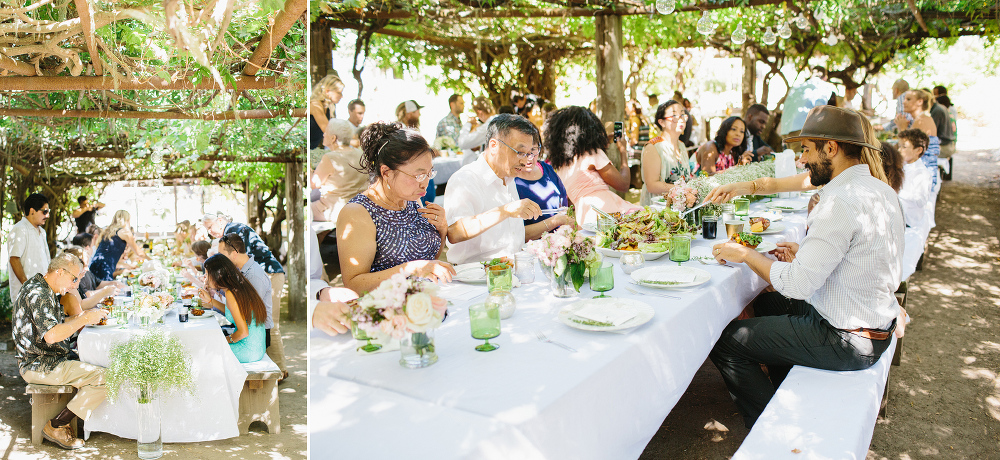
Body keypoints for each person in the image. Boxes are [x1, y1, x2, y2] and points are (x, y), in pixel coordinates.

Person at [708, 105, 903, 429]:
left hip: (847, 338)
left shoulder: (839, 201)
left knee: (725, 341)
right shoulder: (878, 189)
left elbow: (797, 285)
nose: (802, 159)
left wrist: (743, 253)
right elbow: (860, 258)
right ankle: (785, 389)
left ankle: (772, 429)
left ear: (831, 148)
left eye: (806, 150)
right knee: (765, 301)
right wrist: (806, 253)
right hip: (870, 322)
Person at [338, 121, 454, 293]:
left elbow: (429, 260)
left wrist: (442, 228)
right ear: (386, 172)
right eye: (419, 175)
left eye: (429, 173)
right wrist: (409, 269)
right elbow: (354, 285)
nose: (425, 184)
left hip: (427, 300)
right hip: (386, 310)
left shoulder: (413, 200)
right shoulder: (358, 213)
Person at [13, 251, 109, 449]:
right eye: (74, 278)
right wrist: (83, 319)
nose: (75, 285)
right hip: (40, 365)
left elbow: (52, 326)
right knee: (106, 377)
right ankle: (56, 425)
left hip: (46, 359)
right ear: (59, 271)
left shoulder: (42, 287)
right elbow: (52, 335)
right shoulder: (39, 294)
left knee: (98, 364)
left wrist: (85, 316)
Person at [445, 114, 545, 263]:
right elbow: (454, 232)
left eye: (530, 153)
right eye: (519, 152)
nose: (525, 161)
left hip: (511, 270)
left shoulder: (509, 176)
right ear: (494, 146)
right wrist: (505, 211)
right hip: (475, 276)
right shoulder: (465, 179)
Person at [543, 107, 639, 226]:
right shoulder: (593, 154)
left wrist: (602, 143)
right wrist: (623, 151)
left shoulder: (561, 164)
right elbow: (623, 185)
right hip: (607, 214)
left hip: (584, 218)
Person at [217, 233, 282, 364]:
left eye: (222, 255)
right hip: (248, 329)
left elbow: (248, 310)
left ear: (234, 253)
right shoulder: (241, 271)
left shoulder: (254, 275)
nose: (220, 260)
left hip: (257, 332)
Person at [198, 255, 267, 363]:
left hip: (247, 349)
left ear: (217, 275)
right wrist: (210, 301)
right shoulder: (238, 286)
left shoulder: (231, 293)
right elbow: (234, 312)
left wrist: (224, 341)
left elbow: (243, 332)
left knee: (204, 351)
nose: (205, 278)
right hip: (257, 347)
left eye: (207, 274)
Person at [311, 118, 368, 224]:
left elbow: (314, 184)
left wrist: (309, 170)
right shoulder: (361, 154)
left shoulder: (330, 157)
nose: (323, 135)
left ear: (333, 138)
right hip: (360, 208)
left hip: (335, 210)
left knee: (307, 209)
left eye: (326, 132)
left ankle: (316, 240)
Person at [640, 100, 694, 206]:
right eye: (674, 115)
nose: (681, 119)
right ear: (662, 122)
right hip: (658, 208)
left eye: (683, 114)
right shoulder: (653, 147)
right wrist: (685, 189)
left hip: (680, 206)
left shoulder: (682, 146)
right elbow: (652, 185)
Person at [514, 158, 573, 241]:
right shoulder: (510, 180)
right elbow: (515, 233)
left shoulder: (547, 169)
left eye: (534, 149)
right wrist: (556, 221)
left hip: (558, 242)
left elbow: (563, 206)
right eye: (523, 153)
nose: (530, 156)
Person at [7, 193, 51, 303]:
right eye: (44, 211)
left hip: (42, 293)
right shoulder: (20, 229)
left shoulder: (42, 232)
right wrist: (28, 286)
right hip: (26, 296)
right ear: (32, 211)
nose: (47, 215)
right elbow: (14, 259)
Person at [895, 89, 940, 189]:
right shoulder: (920, 119)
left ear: (920, 102)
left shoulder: (921, 121)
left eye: (908, 99)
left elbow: (906, 150)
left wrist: (901, 128)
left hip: (923, 178)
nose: (904, 102)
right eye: (904, 99)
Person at [88, 210, 148, 282]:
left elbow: (109, 259)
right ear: (127, 220)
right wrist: (151, 260)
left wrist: (129, 266)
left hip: (95, 266)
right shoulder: (125, 232)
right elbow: (139, 252)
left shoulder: (108, 232)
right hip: (105, 269)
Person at [778, 67, 838, 137]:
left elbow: (785, 108)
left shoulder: (797, 87)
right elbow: (820, 109)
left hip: (785, 130)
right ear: (825, 78)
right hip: (801, 129)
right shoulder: (823, 86)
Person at [896, 129, 933, 227]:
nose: (899, 150)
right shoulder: (903, 166)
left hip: (909, 220)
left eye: (904, 147)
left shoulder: (922, 173)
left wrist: (895, 191)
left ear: (918, 150)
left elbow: (920, 200)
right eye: (899, 146)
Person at [309, 74, 344, 149]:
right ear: (327, 91)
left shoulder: (327, 108)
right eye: (339, 92)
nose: (342, 96)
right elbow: (328, 131)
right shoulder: (315, 105)